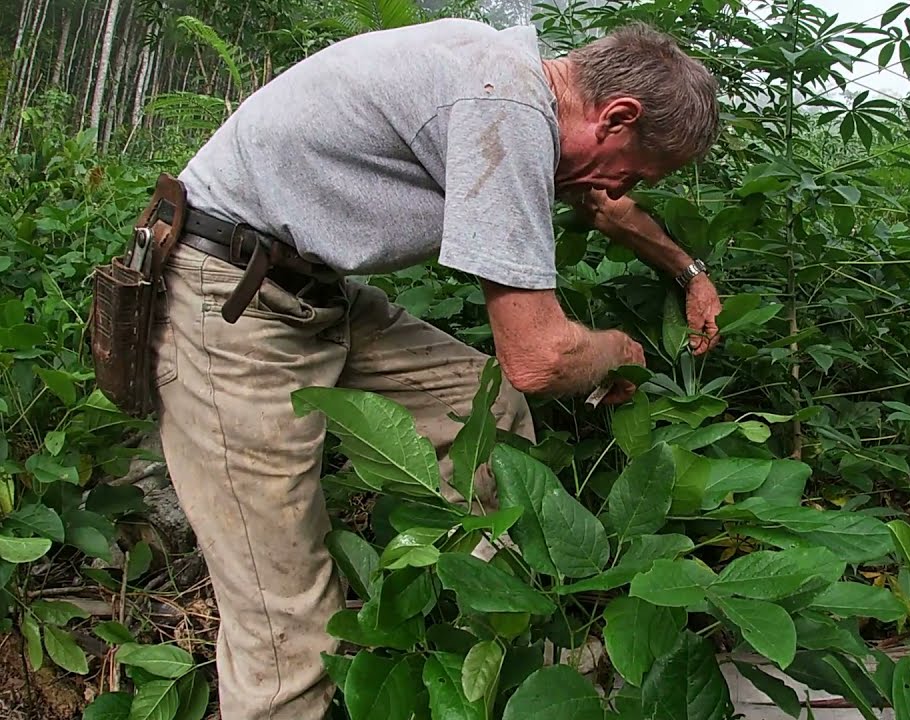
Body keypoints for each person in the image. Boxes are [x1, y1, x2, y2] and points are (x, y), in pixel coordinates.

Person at [145, 15, 722, 720]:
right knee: (282, 614)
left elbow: (608, 205)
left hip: (309, 290)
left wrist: (688, 271)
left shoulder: (520, 78)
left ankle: (495, 645)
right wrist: (614, 354)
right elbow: (538, 358)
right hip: (227, 301)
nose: (617, 185)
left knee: (485, 409)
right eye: (634, 167)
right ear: (617, 116)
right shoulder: (506, 109)